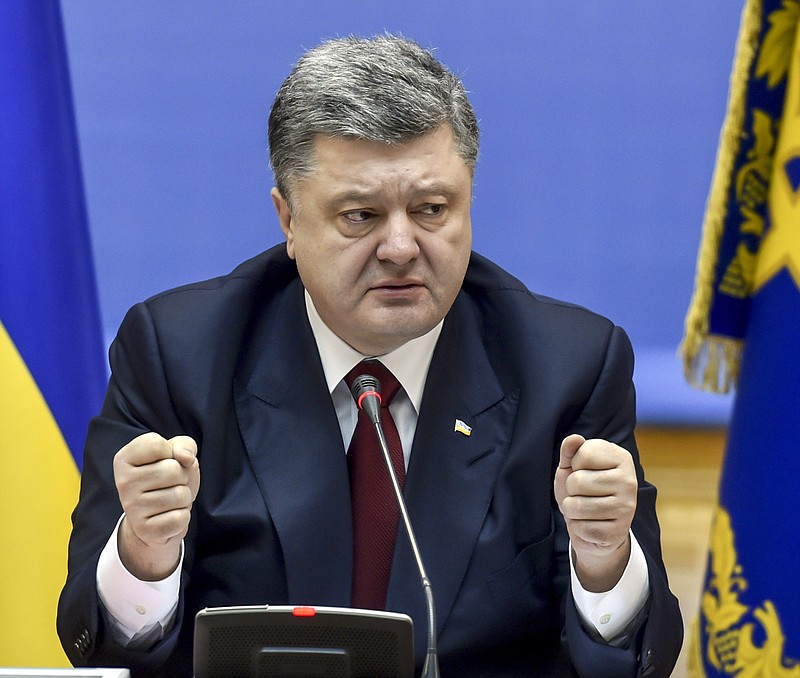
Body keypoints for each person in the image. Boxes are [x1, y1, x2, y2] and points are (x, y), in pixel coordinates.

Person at [58, 35, 683, 677]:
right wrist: (146, 554)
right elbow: (102, 646)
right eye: (361, 216)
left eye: (432, 209)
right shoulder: (179, 354)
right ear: (288, 220)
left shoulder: (569, 366)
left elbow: (630, 664)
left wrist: (602, 557)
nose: (402, 247)